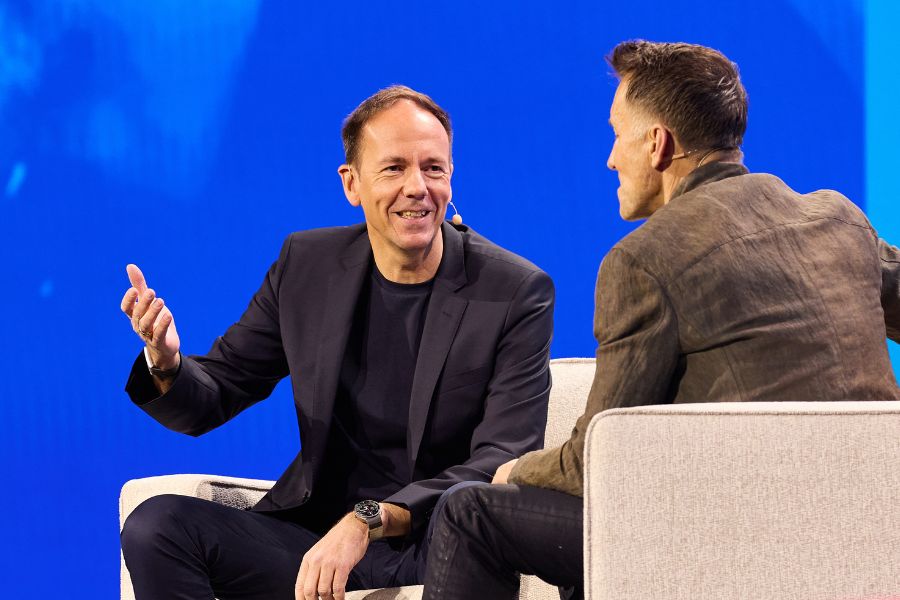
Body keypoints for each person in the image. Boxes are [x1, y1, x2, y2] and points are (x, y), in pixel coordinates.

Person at [422, 40, 900, 600]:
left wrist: (514, 472)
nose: (610, 158)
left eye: (616, 134)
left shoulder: (645, 259)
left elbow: (593, 464)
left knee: (470, 512)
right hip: (872, 525)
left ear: (657, 143)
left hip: (731, 538)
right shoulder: (839, 220)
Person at [119, 85, 555, 600]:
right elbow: (217, 392)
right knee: (157, 526)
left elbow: (502, 459)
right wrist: (165, 362)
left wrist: (368, 519)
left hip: (436, 544)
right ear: (352, 183)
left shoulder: (512, 291)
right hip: (313, 540)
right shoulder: (308, 265)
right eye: (394, 168)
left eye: (433, 168)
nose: (417, 187)